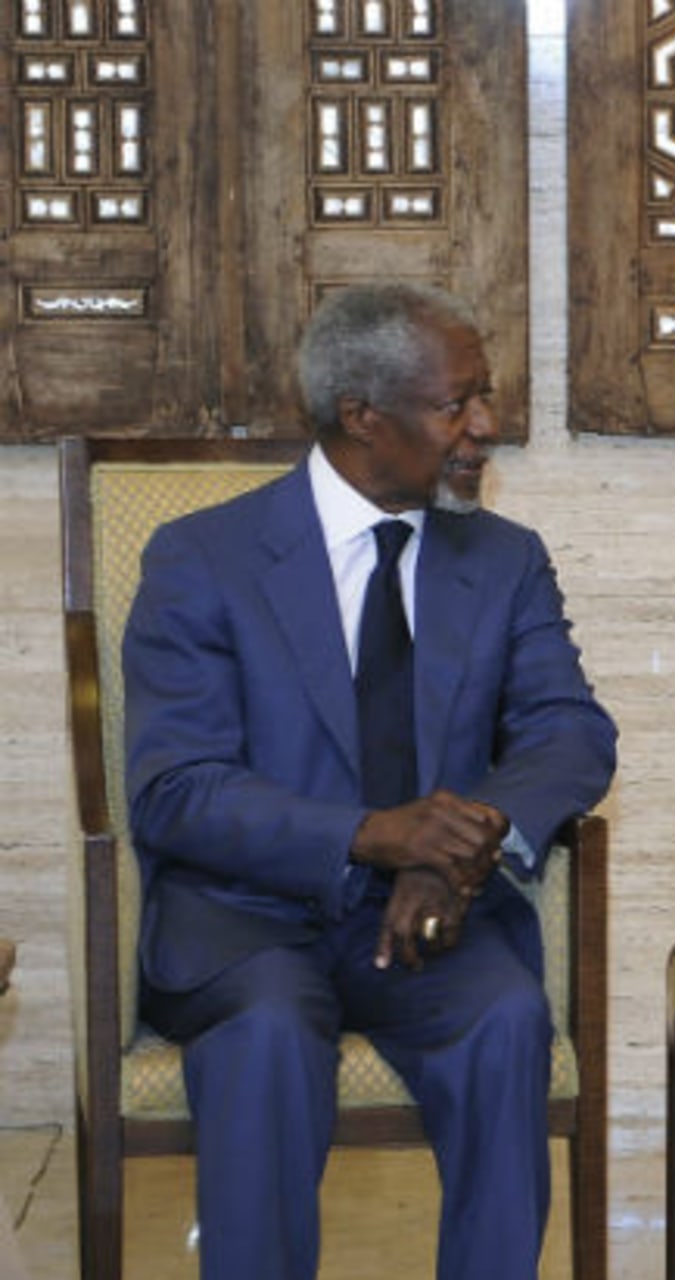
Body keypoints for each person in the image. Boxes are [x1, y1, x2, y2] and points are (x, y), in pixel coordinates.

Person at [123, 283, 618, 1280]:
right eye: (456, 405)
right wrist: (376, 834)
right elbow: (176, 786)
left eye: (487, 398)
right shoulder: (204, 559)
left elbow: (569, 730)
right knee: (265, 1036)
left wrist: (461, 845)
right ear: (361, 415)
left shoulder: (504, 560)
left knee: (506, 1018)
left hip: (427, 919)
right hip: (245, 917)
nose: (487, 427)